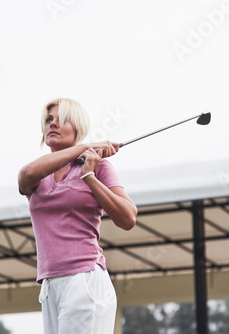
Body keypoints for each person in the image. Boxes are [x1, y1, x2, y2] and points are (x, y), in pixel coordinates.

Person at [18, 97, 137, 333]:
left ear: (77, 128)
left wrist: (88, 177)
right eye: (48, 120)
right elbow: (25, 175)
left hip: (84, 278)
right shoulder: (38, 173)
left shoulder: (98, 166)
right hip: (50, 284)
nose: (53, 124)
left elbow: (128, 218)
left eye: (62, 119)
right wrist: (85, 147)